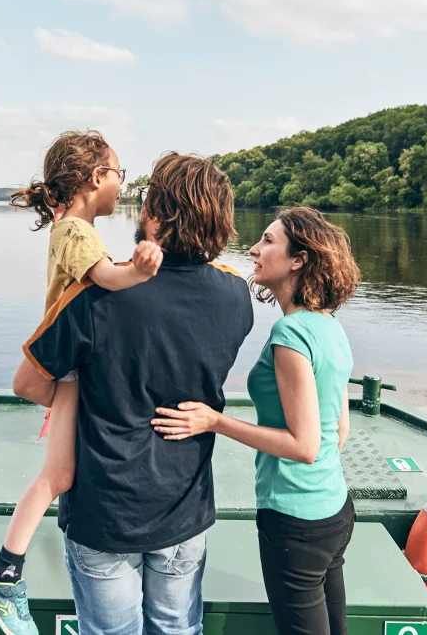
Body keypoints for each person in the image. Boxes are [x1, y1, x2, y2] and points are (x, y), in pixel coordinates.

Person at [12, 153, 254, 635]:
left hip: (106, 512)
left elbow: (29, 383)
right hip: (183, 507)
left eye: (146, 200)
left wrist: (84, 397)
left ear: (158, 218)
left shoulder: (99, 296)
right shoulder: (235, 295)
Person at [0, 130, 163, 635]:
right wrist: (141, 269)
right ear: (94, 178)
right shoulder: (77, 232)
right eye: (119, 175)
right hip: (73, 364)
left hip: (71, 366)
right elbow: (105, 278)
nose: (123, 185)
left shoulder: (70, 226)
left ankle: (6, 572)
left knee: (58, 476)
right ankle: (4, 575)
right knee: (55, 477)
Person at [153, 206, 361, 635]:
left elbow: (304, 447)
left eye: (268, 241)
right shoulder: (329, 326)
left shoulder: (291, 335)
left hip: (295, 521)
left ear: (299, 259)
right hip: (335, 512)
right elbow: (339, 431)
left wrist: (214, 421)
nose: (254, 249)